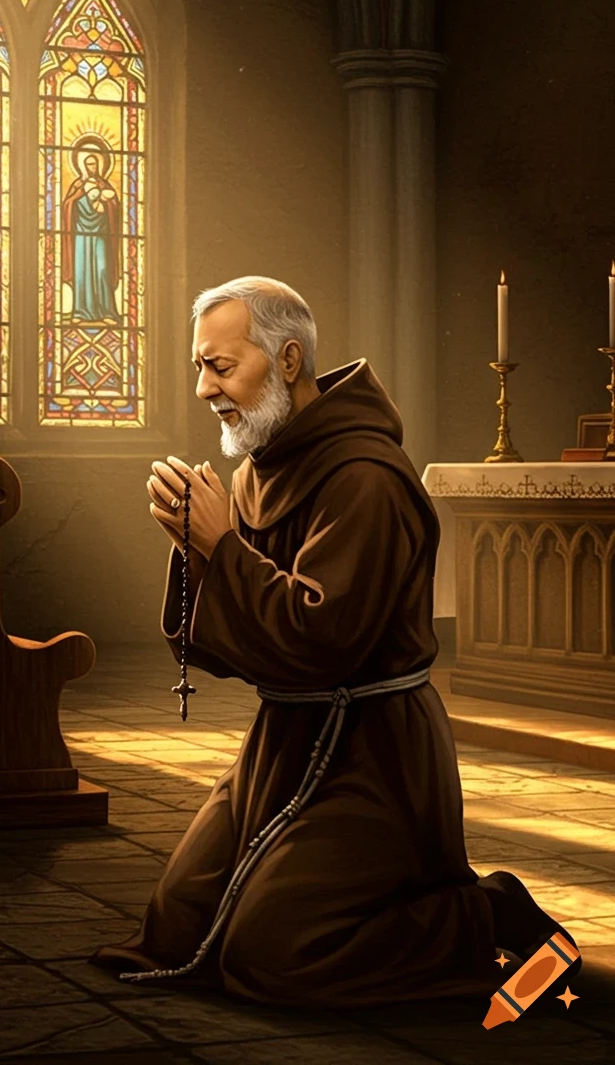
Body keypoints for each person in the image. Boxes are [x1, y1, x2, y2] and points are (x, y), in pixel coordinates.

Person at [91, 275, 576, 1007]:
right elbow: (232, 650)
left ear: (288, 362)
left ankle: (482, 911)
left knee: (276, 953)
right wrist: (196, 548)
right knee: (178, 923)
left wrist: (220, 546)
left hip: (372, 752)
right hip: (285, 737)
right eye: (200, 367)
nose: (203, 388)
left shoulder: (365, 478)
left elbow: (324, 639)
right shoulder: (259, 467)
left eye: (220, 367)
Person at [62, 147, 121, 322]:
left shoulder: (105, 185)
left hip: (100, 234)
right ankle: (80, 311)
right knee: (81, 272)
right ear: (81, 166)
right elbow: (68, 206)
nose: (91, 167)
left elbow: (114, 207)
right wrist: (85, 199)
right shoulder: (78, 185)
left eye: (94, 164)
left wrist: (105, 203)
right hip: (81, 234)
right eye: (88, 164)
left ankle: (106, 311)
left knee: (102, 269)